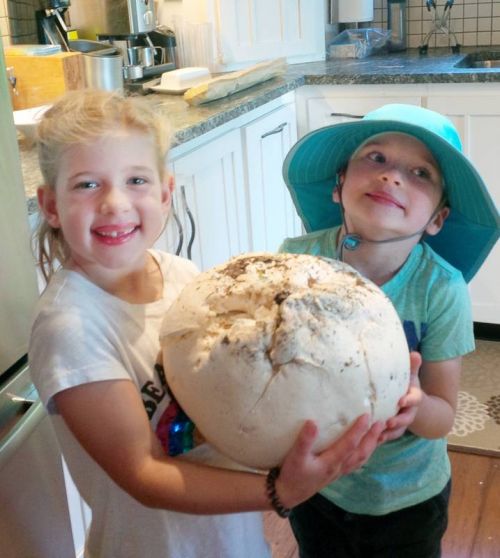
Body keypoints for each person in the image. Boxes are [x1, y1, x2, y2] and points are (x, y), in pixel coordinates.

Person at [28, 89, 394, 558]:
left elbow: (247, 397)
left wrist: (368, 394)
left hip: (232, 539)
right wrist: (281, 492)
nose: (115, 203)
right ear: (51, 205)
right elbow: (143, 472)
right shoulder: (71, 327)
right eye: (86, 185)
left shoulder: (180, 276)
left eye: (136, 180)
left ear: (165, 193)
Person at [279, 103, 500, 557]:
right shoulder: (296, 260)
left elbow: (441, 418)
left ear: (437, 219)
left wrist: (413, 401)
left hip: (408, 498)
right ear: (339, 185)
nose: (393, 176)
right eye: (375, 158)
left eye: (420, 173)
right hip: (318, 482)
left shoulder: (441, 289)